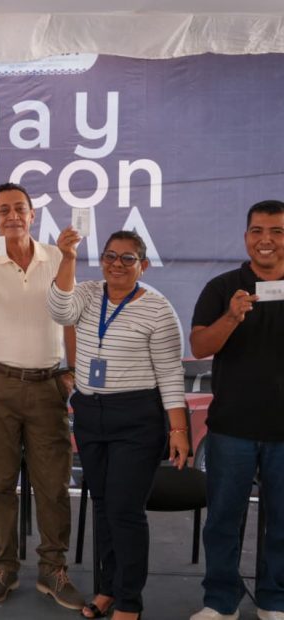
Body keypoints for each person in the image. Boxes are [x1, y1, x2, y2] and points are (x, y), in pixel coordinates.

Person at [0, 182, 84, 610]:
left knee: (53, 483)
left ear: (32, 215)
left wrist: (71, 372)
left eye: (20, 209)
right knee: (0, 482)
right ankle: (3, 567)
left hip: (48, 385)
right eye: (4, 210)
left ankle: (53, 569)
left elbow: (69, 315)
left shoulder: (56, 256)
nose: (12, 215)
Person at [47, 228, 188, 620]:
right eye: (110, 256)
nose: (117, 264)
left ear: (143, 266)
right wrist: (68, 257)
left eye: (128, 258)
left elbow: (170, 374)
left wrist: (178, 430)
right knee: (104, 506)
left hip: (137, 419)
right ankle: (108, 588)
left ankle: (130, 602)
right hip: (91, 414)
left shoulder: (157, 309)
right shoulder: (87, 293)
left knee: (125, 510)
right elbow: (59, 311)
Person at [189, 200, 284, 620]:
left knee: (282, 522)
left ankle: (274, 600)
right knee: (223, 521)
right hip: (231, 428)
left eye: (277, 231)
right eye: (258, 230)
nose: (267, 240)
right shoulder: (222, 287)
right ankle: (220, 601)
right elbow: (199, 347)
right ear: (246, 237)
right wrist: (230, 317)